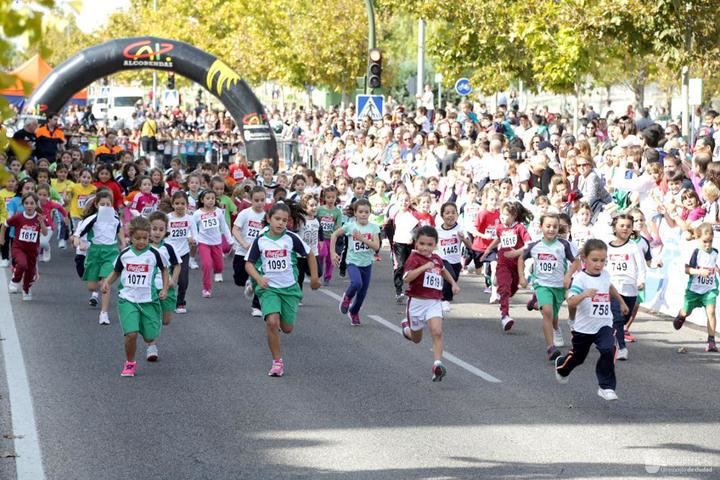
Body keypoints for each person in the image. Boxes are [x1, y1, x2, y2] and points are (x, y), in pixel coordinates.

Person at [245, 203, 321, 377]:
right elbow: (249, 263)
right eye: (277, 219)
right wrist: (258, 278)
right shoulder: (261, 239)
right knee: (272, 322)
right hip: (268, 287)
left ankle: (278, 319)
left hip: (289, 288)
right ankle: (277, 362)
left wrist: (315, 278)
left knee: (287, 328)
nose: (280, 223)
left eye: (284, 220)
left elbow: (309, 254)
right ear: (269, 219)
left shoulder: (291, 238)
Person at [555, 239, 628, 401]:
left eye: (602, 260)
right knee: (578, 358)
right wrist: (584, 295)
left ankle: (605, 386)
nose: (599, 264)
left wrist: (621, 302)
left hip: (604, 324)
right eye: (595, 260)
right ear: (584, 259)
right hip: (584, 328)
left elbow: (609, 287)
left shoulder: (605, 274)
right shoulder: (581, 279)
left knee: (609, 349)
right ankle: (561, 367)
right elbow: (571, 301)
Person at [101, 216, 168, 377]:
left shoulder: (154, 253)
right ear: (130, 237)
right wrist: (107, 283)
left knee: (150, 336)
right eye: (137, 238)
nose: (141, 242)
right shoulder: (125, 254)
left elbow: (164, 270)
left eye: (145, 238)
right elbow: (116, 271)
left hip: (149, 300)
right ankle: (130, 363)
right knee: (131, 333)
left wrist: (164, 288)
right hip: (128, 299)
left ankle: (150, 341)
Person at [400, 225, 460, 381]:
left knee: (437, 332)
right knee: (416, 339)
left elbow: (443, 270)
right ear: (415, 243)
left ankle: (437, 364)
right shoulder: (414, 258)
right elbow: (407, 278)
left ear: (435, 245)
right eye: (421, 244)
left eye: (429, 244)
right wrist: (423, 267)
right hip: (416, 303)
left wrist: (453, 283)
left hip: (434, 302)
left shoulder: (436, 259)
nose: (425, 248)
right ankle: (406, 329)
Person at [519, 213, 579, 361]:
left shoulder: (563, 245)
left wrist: (568, 275)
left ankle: (553, 326)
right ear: (541, 227)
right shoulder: (535, 246)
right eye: (548, 226)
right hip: (542, 285)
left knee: (553, 314)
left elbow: (576, 262)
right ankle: (551, 348)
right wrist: (521, 276)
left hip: (559, 287)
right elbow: (521, 257)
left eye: (555, 226)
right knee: (547, 312)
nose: (551, 229)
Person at [480, 201, 533, 331]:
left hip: (517, 265)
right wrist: (487, 250)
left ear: (514, 216)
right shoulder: (500, 228)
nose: (502, 218)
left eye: (505, 215)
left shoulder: (519, 228)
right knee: (504, 288)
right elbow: (498, 239)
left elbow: (529, 244)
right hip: (503, 263)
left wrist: (517, 252)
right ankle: (505, 316)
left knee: (512, 289)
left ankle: (502, 292)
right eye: (501, 215)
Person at [72, 189, 124, 324]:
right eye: (103, 204)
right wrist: (79, 243)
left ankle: (104, 313)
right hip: (94, 253)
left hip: (111, 252)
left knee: (105, 283)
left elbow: (120, 230)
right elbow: (78, 234)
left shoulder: (115, 218)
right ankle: (95, 291)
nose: (106, 207)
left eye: (108, 204)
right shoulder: (91, 219)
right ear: (96, 205)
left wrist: (123, 243)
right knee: (91, 286)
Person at [330, 199, 380, 325]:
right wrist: (332, 252)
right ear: (355, 213)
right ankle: (347, 297)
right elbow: (334, 235)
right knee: (357, 283)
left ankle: (354, 312)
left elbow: (376, 246)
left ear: (370, 213)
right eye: (361, 212)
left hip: (367, 263)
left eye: (366, 212)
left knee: (362, 294)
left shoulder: (374, 227)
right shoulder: (350, 226)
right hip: (353, 262)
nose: (363, 214)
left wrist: (363, 239)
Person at [673, 223, 719, 352]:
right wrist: (699, 272)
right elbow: (687, 270)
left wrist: (717, 270)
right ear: (698, 238)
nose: (708, 245)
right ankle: (681, 315)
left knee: (711, 312)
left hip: (709, 289)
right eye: (705, 241)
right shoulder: (696, 252)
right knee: (687, 311)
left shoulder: (715, 252)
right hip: (694, 289)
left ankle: (711, 341)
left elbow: (714, 264)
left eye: (710, 241)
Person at [607, 213, 646, 361]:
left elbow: (642, 267)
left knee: (623, 319)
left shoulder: (633, 247)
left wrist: (641, 281)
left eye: (628, 226)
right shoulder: (607, 246)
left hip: (630, 289)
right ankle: (621, 348)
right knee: (616, 317)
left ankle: (612, 337)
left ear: (632, 230)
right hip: (612, 287)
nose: (625, 228)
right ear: (615, 228)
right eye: (621, 225)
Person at [145, 211, 182, 362]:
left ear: (166, 231)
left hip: (167, 287)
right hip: (149, 288)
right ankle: (152, 347)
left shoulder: (169, 247)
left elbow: (177, 265)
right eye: (154, 229)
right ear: (148, 229)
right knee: (153, 318)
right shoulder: (143, 246)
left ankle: (154, 325)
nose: (157, 232)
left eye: (161, 229)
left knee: (166, 320)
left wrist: (173, 279)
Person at [0, 192, 46, 300]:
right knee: (22, 264)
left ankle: (26, 289)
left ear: (36, 205)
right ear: (23, 204)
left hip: (32, 250)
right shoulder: (18, 217)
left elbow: (44, 233)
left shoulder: (39, 218)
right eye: (26, 203)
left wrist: (42, 223)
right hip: (19, 247)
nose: (29, 206)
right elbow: (5, 225)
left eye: (32, 203)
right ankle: (15, 280)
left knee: (30, 273)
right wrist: (1, 238)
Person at [232, 186, 265, 317]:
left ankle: (256, 306)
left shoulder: (267, 216)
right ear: (251, 200)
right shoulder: (245, 213)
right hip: (242, 251)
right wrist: (244, 243)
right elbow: (235, 230)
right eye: (256, 200)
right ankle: (248, 282)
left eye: (262, 200)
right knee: (239, 279)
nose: (259, 203)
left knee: (259, 277)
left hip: (259, 254)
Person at [192, 189, 232, 297]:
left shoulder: (218, 212)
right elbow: (193, 228)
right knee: (206, 264)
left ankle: (217, 271)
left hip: (216, 242)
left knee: (219, 265)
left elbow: (224, 227)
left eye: (213, 198)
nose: (210, 201)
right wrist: (195, 239)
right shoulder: (197, 214)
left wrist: (230, 240)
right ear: (202, 200)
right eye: (208, 198)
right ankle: (206, 289)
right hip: (203, 242)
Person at [164, 191, 197, 314]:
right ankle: (165, 300)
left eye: (183, 203)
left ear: (187, 205)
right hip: (168, 253)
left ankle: (181, 302)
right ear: (172, 204)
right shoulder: (167, 218)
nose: (180, 206)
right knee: (167, 279)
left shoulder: (190, 218)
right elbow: (162, 234)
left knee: (183, 280)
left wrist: (194, 240)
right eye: (177, 203)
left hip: (183, 253)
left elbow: (195, 234)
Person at [436, 202, 472, 312]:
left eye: (453, 213)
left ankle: (442, 299)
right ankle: (444, 300)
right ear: (442, 216)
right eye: (447, 213)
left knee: (453, 280)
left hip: (456, 261)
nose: (450, 215)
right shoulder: (437, 230)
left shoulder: (460, 229)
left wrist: (463, 239)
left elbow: (470, 246)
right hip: (442, 260)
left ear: (457, 215)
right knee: (449, 276)